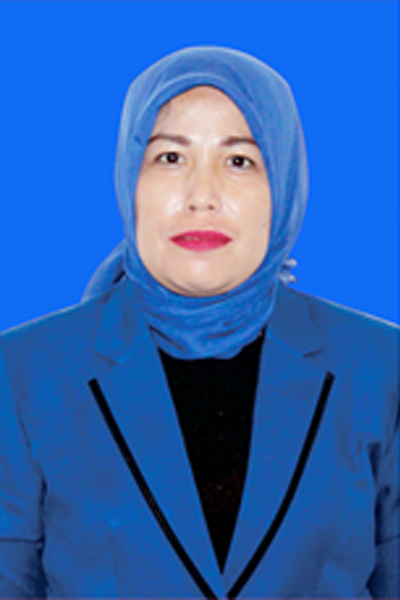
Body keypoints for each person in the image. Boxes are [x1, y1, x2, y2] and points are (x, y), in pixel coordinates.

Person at [0, 46, 398, 599]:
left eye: (239, 161)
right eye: (170, 157)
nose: (201, 197)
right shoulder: (23, 373)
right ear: (129, 180)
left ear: (283, 185)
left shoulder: (381, 369)